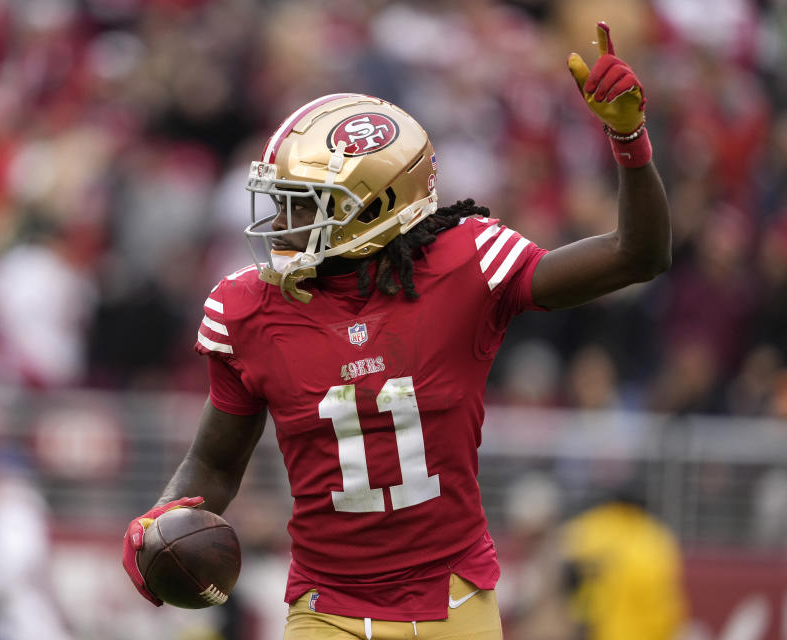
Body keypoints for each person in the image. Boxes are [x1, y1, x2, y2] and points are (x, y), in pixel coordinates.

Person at [122, 22, 671, 639]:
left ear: (375, 207)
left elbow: (636, 255)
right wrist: (163, 520)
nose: (281, 220)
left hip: (454, 601)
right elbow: (215, 465)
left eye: (304, 202)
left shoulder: (468, 267)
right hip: (327, 607)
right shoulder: (251, 309)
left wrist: (628, 138)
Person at [561, 492, 687, 640]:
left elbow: (565, 575)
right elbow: (664, 603)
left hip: (591, 630)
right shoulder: (654, 539)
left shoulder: (587, 528)